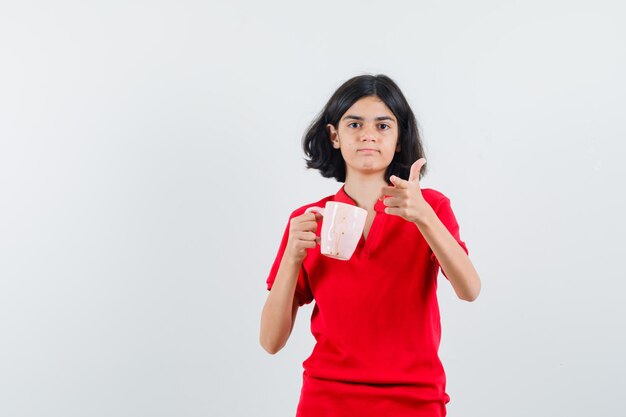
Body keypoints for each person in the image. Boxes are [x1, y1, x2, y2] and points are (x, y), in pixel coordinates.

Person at [259, 74, 481, 417]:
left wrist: (423, 217)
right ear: (334, 135)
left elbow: (469, 290)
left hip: (416, 401)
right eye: (354, 124)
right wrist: (292, 256)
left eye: (382, 125)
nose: (368, 135)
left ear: (399, 136)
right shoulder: (307, 220)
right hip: (326, 401)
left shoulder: (430, 208)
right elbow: (271, 342)